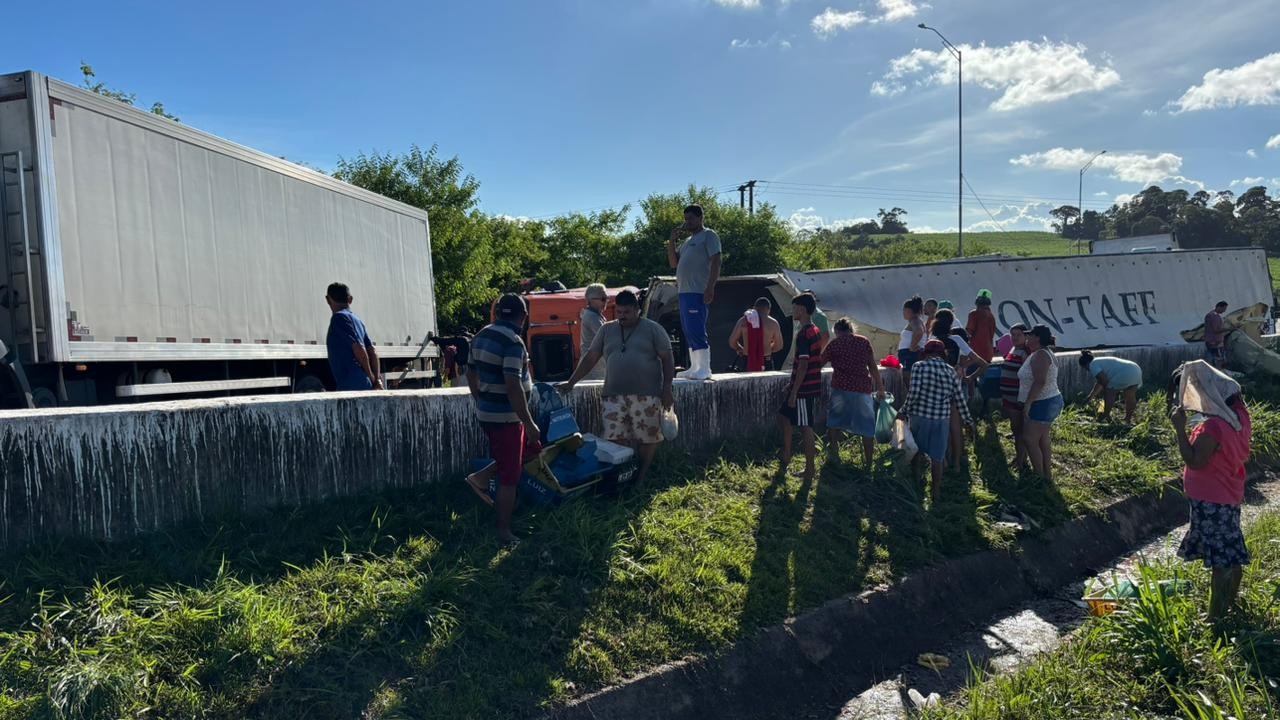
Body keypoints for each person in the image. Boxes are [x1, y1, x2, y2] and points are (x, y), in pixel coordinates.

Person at [560, 290, 675, 485]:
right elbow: (590, 357)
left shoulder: (653, 329)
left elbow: (668, 359)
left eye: (627, 312)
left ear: (637, 310)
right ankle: (621, 478)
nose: (622, 316)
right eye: (619, 312)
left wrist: (667, 389)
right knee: (615, 438)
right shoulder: (606, 329)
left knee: (648, 438)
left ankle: (641, 476)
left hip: (646, 395)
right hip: (613, 395)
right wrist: (571, 382)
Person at [1171, 360, 1252, 622]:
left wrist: (1180, 430)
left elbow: (1195, 460)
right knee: (1232, 549)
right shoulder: (1238, 415)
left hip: (1212, 499)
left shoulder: (1214, 427)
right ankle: (1230, 603)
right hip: (1227, 493)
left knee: (1221, 560)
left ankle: (1216, 615)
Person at [467, 294, 541, 546]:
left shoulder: (481, 335)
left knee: (516, 456)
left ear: (498, 313)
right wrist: (529, 423)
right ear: (523, 316)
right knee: (510, 475)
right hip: (507, 417)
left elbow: (470, 371)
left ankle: (481, 478)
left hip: (488, 413)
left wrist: (480, 399)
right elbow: (513, 385)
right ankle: (504, 532)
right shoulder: (513, 342)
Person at [898, 339, 975, 501]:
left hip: (920, 417)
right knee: (937, 458)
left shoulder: (919, 366)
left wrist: (903, 411)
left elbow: (914, 393)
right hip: (941, 420)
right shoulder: (951, 372)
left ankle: (917, 482)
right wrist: (968, 421)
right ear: (943, 354)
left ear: (925, 354)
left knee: (917, 452)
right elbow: (959, 399)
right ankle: (936, 492)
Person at [821, 317, 886, 467]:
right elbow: (872, 367)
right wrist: (881, 388)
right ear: (851, 329)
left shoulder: (835, 344)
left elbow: (819, 362)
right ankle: (869, 463)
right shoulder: (863, 341)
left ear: (836, 331)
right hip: (862, 389)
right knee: (867, 427)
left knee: (835, 422)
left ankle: (834, 455)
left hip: (840, 388)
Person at [667, 204, 722, 380]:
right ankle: (695, 367)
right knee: (688, 329)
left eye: (690, 218)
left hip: (698, 291)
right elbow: (673, 263)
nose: (687, 222)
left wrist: (710, 287)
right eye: (686, 219)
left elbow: (716, 260)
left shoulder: (709, 235)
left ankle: (705, 368)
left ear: (700, 218)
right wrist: (672, 241)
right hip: (684, 292)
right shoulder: (687, 242)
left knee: (697, 328)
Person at [931, 309, 989, 469]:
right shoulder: (956, 339)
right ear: (950, 323)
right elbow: (982, 362)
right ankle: (956, 462)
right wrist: (965, 370)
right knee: (955, 427)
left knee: (941, 427)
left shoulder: (931, 341)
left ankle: (944, 459)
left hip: (935, 389)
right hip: (955, 387)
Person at [779, 293, 823, 480]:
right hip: (804, 385)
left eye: (795, 307)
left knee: (806, 426)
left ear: (803, 309)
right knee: (783, 417)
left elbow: (804, 364)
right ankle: (786, 455)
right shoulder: (815, 330)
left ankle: (810, 470)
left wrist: (794, 392)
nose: (793, 311)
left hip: (805, 389)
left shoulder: (804, 333)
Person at [1018, 325, 1063, 480]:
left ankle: (1039, 476)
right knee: (1042, 438)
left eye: (1029, 335)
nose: (1026, 338)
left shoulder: (1040, 355)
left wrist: (1028, 403)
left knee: (1030, 439)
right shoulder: (1041, 353)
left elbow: (1039, 381)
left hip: (1043, 402)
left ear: (1037, 338)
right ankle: (1046, 475)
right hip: (1047, 400)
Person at [325, 282, 383, 391]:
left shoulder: (338, 318)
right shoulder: (358, 320)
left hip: (351, 386)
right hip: (364, 384)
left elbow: (359, 348)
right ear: (350, 299)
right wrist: (376, 380)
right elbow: (372, 351)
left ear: (328, 300)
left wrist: (371, 376)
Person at [1079, 351, 1143, 423]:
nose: (1087, 370)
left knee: (1109, 391)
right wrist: (1091, 396)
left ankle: (1105, 416)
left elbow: (1104, 381)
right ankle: (1128, 419)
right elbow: (1100, 382)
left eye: (1085, 368)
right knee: (1130, 395)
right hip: (1135, 369)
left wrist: (1104, 394)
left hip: (1125, 373)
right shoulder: (1100, 361)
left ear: (1085, 364)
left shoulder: (1092, 364)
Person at [999, 324, 1029, 468]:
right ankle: (1020, 457)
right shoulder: (1013, 349)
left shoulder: (1025, 353)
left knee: (1020, 429)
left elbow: (1027, 377)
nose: (1015, 338)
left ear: (1026, 336)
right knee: (1015, 428)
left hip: (1018, 398)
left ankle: (1021, 459)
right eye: (1013, 335)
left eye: (1019, 335)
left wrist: (1023, 400)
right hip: (1009, 396)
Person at [728, 297, 784, 372]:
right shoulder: (773, 323)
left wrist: (740, 349)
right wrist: (766, 349)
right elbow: (779, 345)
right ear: (768, 309)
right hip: (766, 360)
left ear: (754, 308)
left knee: (747, 383)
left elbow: (732, 342)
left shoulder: (743, 320)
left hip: (748, 359)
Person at [579, 284, 608, 381]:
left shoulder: (595, 315)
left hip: (595, 367)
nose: (606, 301)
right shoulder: (592, 317)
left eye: (606, 298)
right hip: (593, 370)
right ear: (590, 301)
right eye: (603, 299)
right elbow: (607, 337)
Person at [898, 295, 926, 384]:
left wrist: (912, 346)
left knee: (908, 379)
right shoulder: (917, 320)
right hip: (910, 353)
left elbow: (919, 332)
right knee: (911, 379)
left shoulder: (915, 320)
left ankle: (911, 396)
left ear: (908, 310)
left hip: (909, 354)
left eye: (904, 310)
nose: (903, 313)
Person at [965, 290, 998, 362]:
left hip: (975, 354)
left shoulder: (974, 314)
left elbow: (968, 333)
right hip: (988, 353)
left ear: (976, 302)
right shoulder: (991, 316)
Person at [1204, 301, 1228, 368]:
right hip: (1214, 342)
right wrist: (1228, 329)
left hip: (1217, 342)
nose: (1224, 311)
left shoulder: (1216, 316)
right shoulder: (1212, 316)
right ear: (1219, 307)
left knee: (1219, 359)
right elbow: (1216, 330)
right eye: (1224, 309)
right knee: (1217, 360)